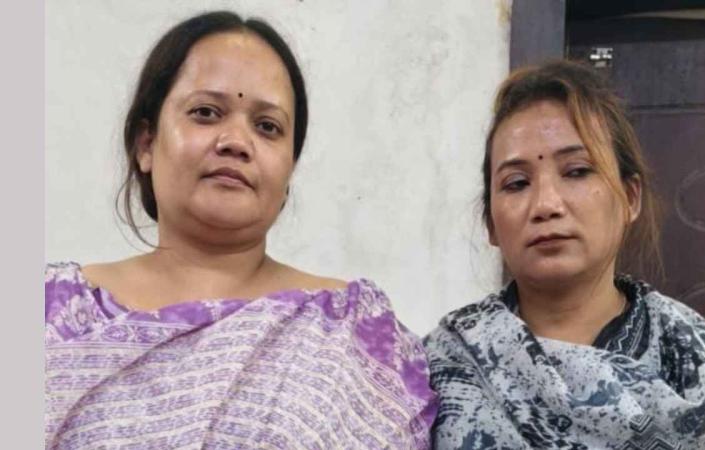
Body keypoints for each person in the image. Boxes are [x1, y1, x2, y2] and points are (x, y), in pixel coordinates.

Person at [45, 11, 435, 449]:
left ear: (289, 169)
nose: (235, 141)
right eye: (206, 113)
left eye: (267, 127)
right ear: (146, 143)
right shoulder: (49, 311)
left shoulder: (353, 329)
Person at [424, 60, 705, 449]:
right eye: (516, 183)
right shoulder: (441, 365)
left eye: (577, 171)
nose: (546, 204)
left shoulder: (691, 355)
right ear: (491, 225)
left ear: (630, 198)